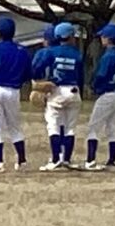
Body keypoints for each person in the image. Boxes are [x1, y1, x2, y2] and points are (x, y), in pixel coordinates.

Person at [27, 21, 85, 171]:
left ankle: (55, 159)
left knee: (53, 125)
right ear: (71, 36)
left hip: (56, 90)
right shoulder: (77, 54)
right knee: (70, 128)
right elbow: (81, 76)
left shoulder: (51, 52)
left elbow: (36, 69)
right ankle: (67, 159)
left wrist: (39, 81)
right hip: (74, 90)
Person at [0, 15, 33, 169]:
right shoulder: (22, 50)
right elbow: (28, 74)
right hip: (14, 90)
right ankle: (22, 160)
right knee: (15, 126)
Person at [83, 23, 115, 170]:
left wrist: (93, 86)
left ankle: (90, 160)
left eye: (103, 36)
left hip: (107, 93)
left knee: (93, 127)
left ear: (109, 39)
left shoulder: (108, 56)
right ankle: (112, 160)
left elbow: (101, 74)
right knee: (112, 127)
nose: (101, 38)